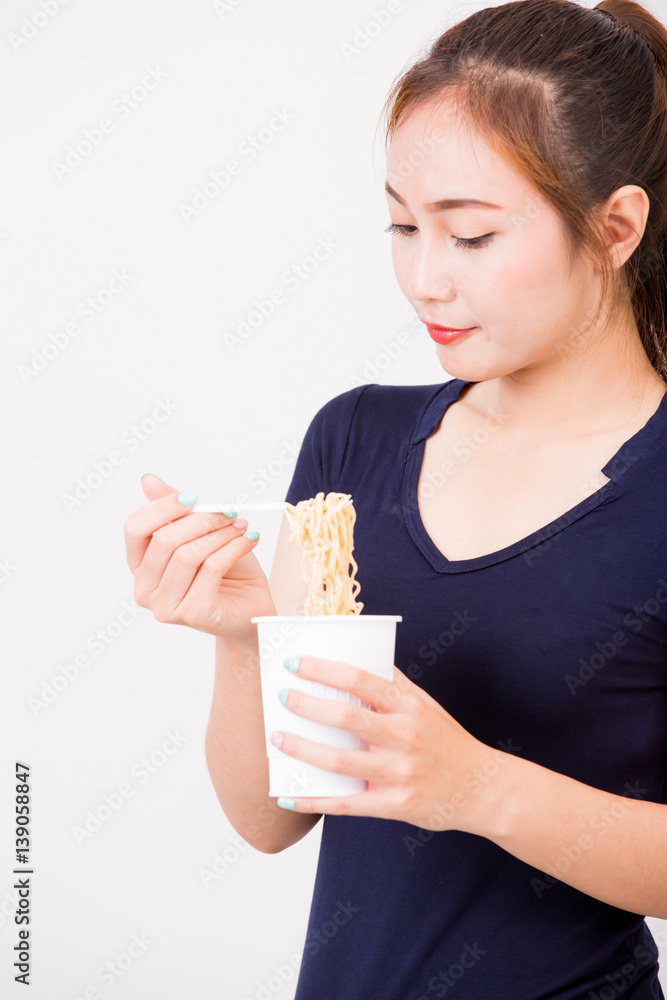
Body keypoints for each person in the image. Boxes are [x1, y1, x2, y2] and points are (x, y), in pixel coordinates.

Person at [123, 0, 667, 995]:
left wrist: (475, 787)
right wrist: (244, 636)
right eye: (404, 225)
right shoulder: (354, 438)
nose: (423, 280)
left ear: (615, 225)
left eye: (469, 235)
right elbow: (271, 820)